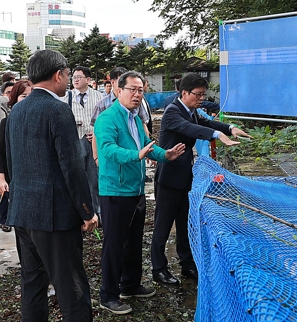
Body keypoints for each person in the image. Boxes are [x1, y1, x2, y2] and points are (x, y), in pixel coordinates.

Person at [5, 49, 98, 321]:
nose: (68, 79)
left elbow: (12, 163)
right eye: (68, 74)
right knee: (72, 290)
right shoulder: (58, 110)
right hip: (54, 218)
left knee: (32, 286)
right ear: (59, 74)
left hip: (23, 213)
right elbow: (72, 167)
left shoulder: (17, 110)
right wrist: (86, 210)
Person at [94, 70, 185, 315]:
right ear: (118, 89)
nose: (136, 94)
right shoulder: (107, 118)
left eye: (140, 90)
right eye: (132, 89)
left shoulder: (135, 118)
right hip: (115, 191)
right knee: (113, 245)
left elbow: (147, 146)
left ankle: (130, 285)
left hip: (135, 190)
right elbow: (108, 150)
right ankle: (108, 295)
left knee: (133, 241)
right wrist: (136, 155)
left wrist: (165, 155)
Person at [151, 73, 251, 286]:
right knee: (162, 225)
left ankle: (187, 264)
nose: (200, 99)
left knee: (185, 223)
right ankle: (158, 269)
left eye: (203, 95)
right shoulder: (172, 112)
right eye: (197, 95)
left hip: (185, 177)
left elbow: (206, 122)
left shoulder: (192, 111)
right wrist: (216, 136)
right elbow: (190, 129)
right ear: (184, 93)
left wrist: (231, 129)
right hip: (168, 180)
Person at [62, 66, 103, 222]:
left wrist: (97, 133)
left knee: (94, 179)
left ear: (88, 79)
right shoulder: (67, 96)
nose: (76, 80)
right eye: (74, 77)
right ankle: (80, 214)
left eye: (79, 77)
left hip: (93, 140)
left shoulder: (98, 97)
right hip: (76, 140)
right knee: (78, 177)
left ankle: (97, 213)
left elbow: (104, 119)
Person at [91, 67, 150, 163]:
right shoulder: (102, 105)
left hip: (134, 156)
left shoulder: (136, 103)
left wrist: (147, 149)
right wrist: (96, 157)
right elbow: (96, 133)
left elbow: (143, 126)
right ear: (112, 82)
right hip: (112, 160)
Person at [0, 80, 33, 232]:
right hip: (13, 174)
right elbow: (1, 152)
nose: (28, 99)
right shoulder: (6, 123)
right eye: (23, 96)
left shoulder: (38, 120)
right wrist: (2, 177)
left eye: (30, 96)